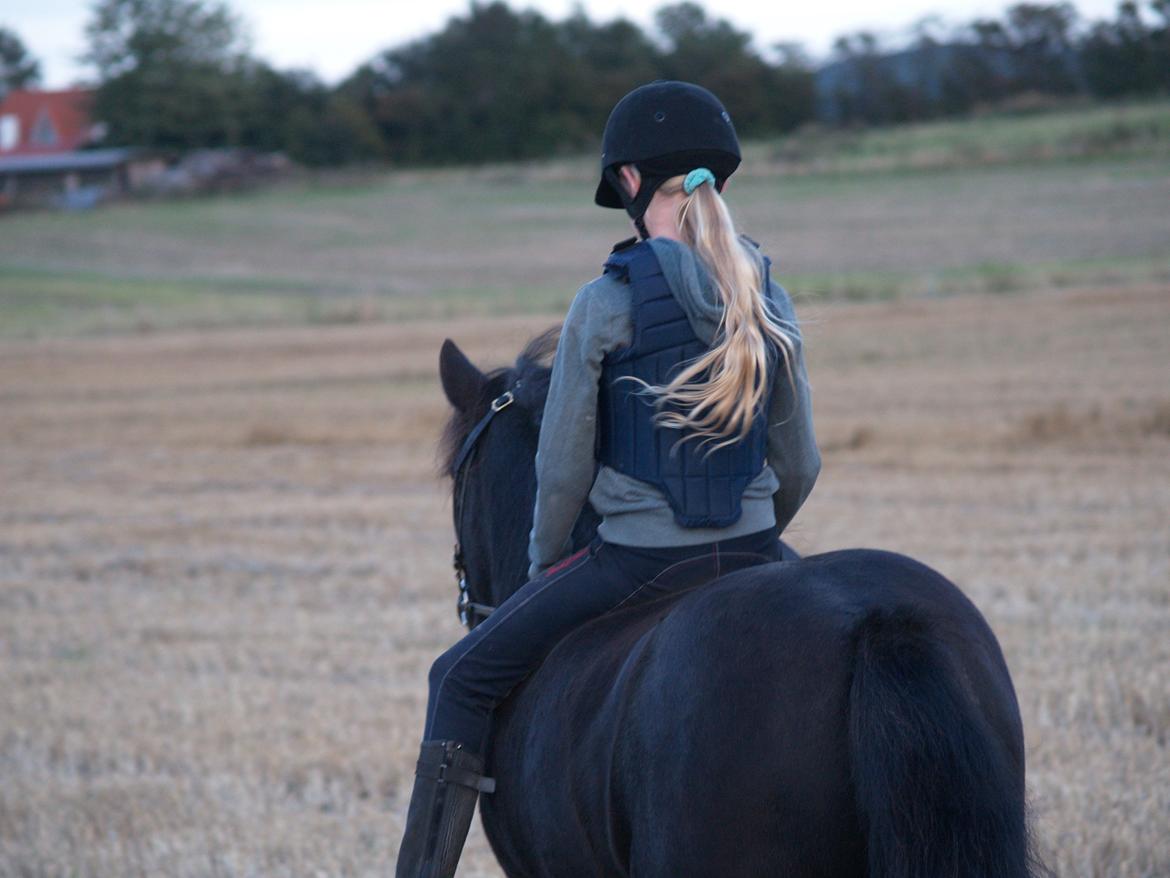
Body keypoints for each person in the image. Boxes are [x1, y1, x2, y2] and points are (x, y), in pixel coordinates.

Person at [396, 80, 821, 878]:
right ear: (720, 181)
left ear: (628, 182)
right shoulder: (765, 293)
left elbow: (560, 474)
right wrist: (756, 537)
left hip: (637, 563)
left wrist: (543, 569)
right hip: (760, 551)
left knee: (456, 676)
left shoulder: (606, 300)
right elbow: (800, 464)